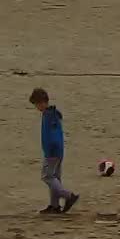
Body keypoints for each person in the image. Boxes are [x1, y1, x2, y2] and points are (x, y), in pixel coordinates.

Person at [30, 87, 79, 215]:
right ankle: (54, 205)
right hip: (58, 151)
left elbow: (52, 136)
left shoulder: (49, 116)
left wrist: (50, 150)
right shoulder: (53, 113)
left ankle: (68, 195)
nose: (36, 107)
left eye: (36, 104)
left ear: (41, 102)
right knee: (55, 178)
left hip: (52, 152)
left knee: (47, 177)